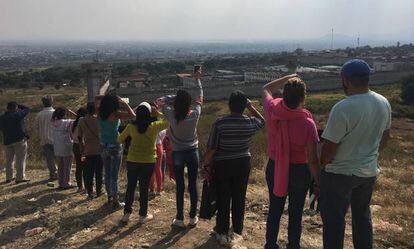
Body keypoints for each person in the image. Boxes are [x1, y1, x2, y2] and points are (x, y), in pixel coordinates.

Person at [320, 59, 391, 249]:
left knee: (334, 221)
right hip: (368, 172)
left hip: (339, 174)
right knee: (362, 217)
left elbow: (329, 147)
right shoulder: (383, 102)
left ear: (345, 80)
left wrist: (321, 165)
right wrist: (369, 155)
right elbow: (385, 137)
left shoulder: (343, 107)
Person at [262, 75, 321, 249]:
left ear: (284, 95)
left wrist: (289, 77)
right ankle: (293, 245)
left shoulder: (273, 109)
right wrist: (319, 181)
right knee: (295, 213)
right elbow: (312, 159)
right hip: (299, 171)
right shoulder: (308, 123)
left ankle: (270, 244)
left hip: (275, 167)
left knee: (275, 209)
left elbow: (266, 88)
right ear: (303, 98)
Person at [203, 90, 265, 247]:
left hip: (223, 165)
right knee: (239, 197)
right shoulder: (249, 122)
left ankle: (222, 232)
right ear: (243, 106)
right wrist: (250, 106)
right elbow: (262, 120)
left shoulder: (220, 123)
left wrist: (206, 165)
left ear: (229, 105)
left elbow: (211, 149)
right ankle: (237, 231)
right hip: (243, 164)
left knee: (223, 198)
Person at [159, 69, 203, 227]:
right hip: (192, 152)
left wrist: (173, 97)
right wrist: (197, 80)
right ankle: (192, 217)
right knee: (193, 184)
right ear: (189, 103)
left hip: (177, 153)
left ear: (176, 103)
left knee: (180, 186)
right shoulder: (194, 115)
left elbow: (160, 101)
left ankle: (179, 218)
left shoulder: (171, 115)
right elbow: (200, 96)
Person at [119, 102, 169, 224]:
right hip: (148, 161)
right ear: (149, 114)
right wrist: (159, 113)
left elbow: (119, 139)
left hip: (132, 160)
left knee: (130, 186)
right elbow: (169, 121)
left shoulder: (131, 127)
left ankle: (126, 214)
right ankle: (142, 215)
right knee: (144, 188)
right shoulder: (154, 126)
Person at [97, 94, 135, 208]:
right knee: (115, 174)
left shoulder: (100, 113)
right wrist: (124, 103)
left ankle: (109, 197)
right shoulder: (115, 114)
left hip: (103, 145)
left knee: (108, 173)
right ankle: (115, 200)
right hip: (115, 144)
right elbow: (133, 116)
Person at [0, 102, 30, 184]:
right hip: (19, 140)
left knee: (9, 160)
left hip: (7, 141)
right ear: (15, 108)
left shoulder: (2, 118)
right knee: (20, 159)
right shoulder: (18, 115)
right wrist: (19, 105)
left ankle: (9, 178)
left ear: (7, 108)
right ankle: (20, 177)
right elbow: (27, 109)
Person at [78, 102, 103, 199]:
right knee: (99, 172)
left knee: (89, 172)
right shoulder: (98, 120)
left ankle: (89, 192)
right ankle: (99, 190)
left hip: (88, 150)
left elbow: (80, 137)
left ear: (87, 109)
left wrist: (81, 148)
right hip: (99, 149)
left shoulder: (81, 120)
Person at [51, 107, 77, 189]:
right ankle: (66, 183)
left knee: (60, 167)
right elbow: (79, 119)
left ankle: (61, 183)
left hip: (57, 147)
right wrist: (73, 113)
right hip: (67, 147)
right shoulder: (68, 122)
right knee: (67, 167)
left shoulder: (53, 122)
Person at [35, 95, 57, 181]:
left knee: (49, 158)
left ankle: (53, 174)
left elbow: (36, 127)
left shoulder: (39, 114)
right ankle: (61, 174)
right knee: (59, 157)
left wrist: (39, 136)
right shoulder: (55, 113)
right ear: (51, 102)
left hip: (44, 139)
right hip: (55, 139)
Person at [71, 107, 88, 193]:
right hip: (83, 146)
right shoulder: (84, 123)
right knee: (85, 167)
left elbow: (71, 136)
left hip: (75, 146)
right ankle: (86, 186)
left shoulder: (73, 124)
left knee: (79, 166)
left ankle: (80, 186)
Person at [150, 129, 167, 195]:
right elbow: (162, 138)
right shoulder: (162, 128)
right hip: (159, 146)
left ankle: (152, 189)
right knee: (158, 168)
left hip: (151, 146)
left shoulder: (150, 126)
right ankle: (159, 189)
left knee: (151, 169)